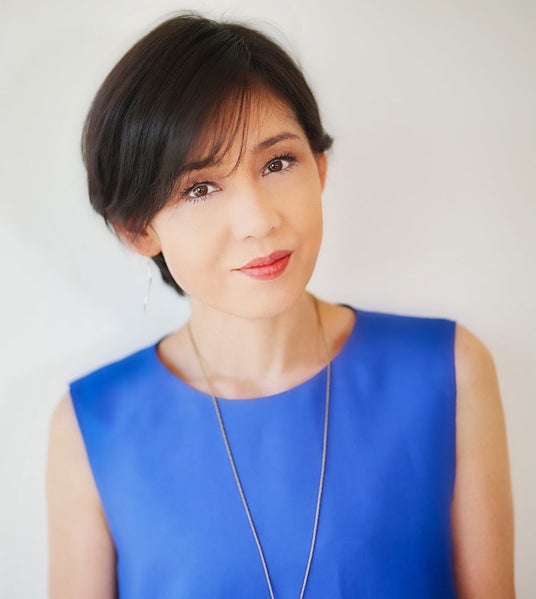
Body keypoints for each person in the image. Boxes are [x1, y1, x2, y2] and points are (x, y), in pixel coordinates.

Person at [46, 13, 515, 599]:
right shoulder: (93, 425)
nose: (258, 220)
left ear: (319, 168)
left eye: (277, 163)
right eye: (199, 188)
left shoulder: (449, 371)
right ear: (138, 230)